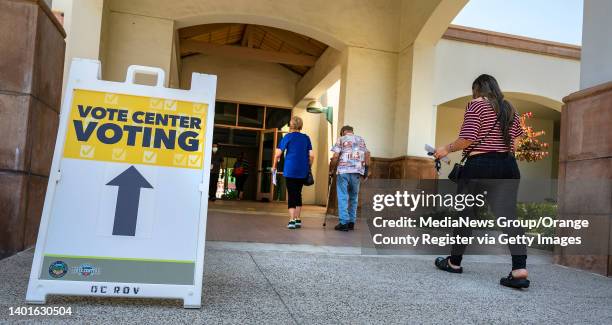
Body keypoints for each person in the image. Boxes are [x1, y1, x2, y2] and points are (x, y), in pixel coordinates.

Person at [433, 74, 529, 289]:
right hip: (508, 166)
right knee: (509, 218)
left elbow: (468, 137)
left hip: (480, 166)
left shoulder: (476, 105)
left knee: (465, 216)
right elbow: (516, 138)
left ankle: (454, 262)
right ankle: (519, 270)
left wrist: (445, 149)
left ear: (477, 89)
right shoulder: (509, 107)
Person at [272, 116, 314, 229]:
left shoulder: (287, 137)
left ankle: (291, 220)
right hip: (302, 170)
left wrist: (274, 167)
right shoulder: (306, 138)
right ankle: (298, 219)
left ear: (291, 125)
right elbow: (312, 155)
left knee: (291, 194)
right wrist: (308, 166)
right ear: (301, 125)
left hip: (290, 170)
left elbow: (277, 154)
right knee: (298, 194)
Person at [329, 125, 370, 231]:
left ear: (342, 132)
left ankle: (343, 223)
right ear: (352, 131)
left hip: (343, 171)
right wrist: (366, 171)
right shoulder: (360, 139)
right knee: (354, 197)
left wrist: (331, 170)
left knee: (343, 196)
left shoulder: (341, 139)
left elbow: (335, 157)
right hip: (357, 172)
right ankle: (351, 222)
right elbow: (367, 154)